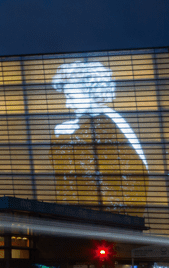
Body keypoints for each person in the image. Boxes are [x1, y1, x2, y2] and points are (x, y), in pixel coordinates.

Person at [50, 61, 149, 219]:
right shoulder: (105, 121)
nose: (67, 103)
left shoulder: (105, 128)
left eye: (70, 96)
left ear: (90, 91)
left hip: (105, 220)